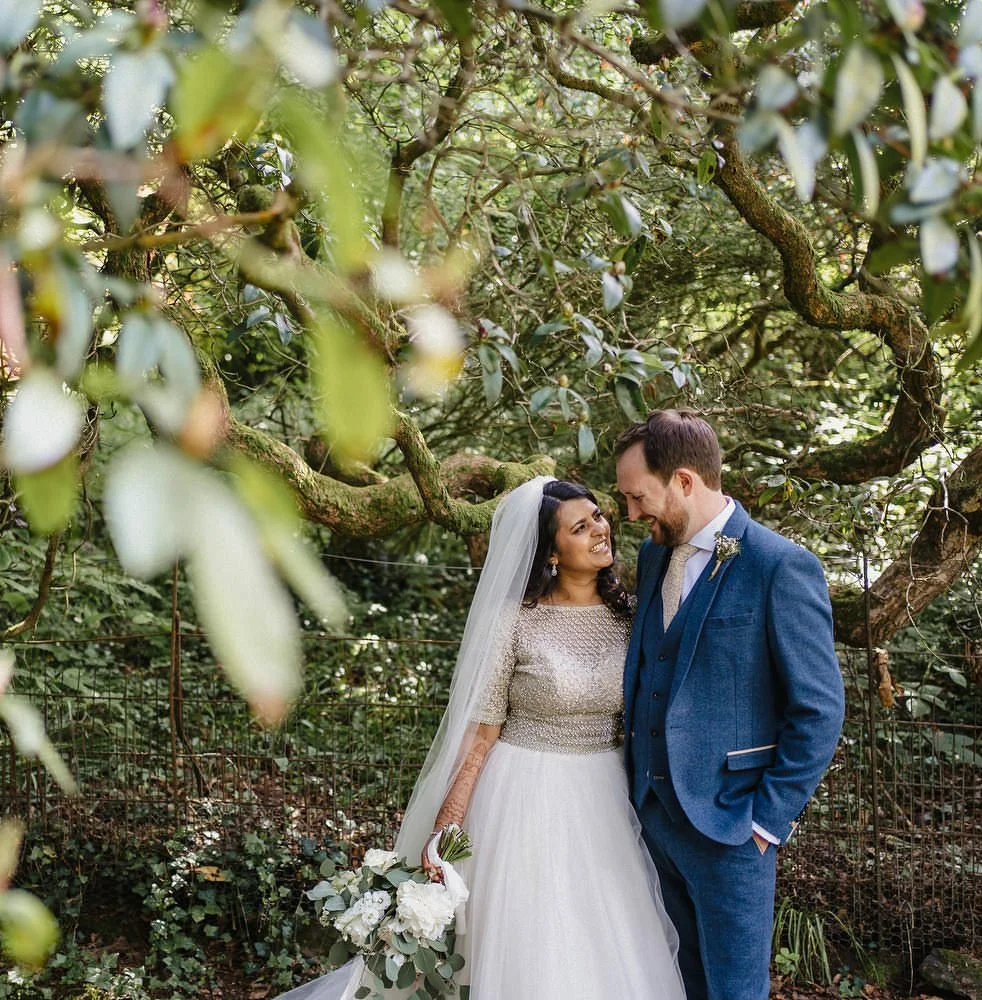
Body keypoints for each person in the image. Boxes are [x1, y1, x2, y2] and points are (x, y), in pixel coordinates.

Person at [278, 477, 685, 1000]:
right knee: (532, 937)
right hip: (524, 793)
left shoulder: (632, 616)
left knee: (607, 928)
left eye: (600, 517)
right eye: (579, 527)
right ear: (551, 552)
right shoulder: (514, 621)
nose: (601, 530)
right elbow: (482, 733)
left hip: (607, 793)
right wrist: (445, 828)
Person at [614, 409, 846, 1000]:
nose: (631, 514)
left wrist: (766, 821)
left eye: (639, 498)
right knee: (676, 983)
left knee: (735, 992)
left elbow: (819, 709)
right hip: (652, 817)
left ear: (685, 481)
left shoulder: (778, 565)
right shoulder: (652, 558)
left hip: (732, 829)